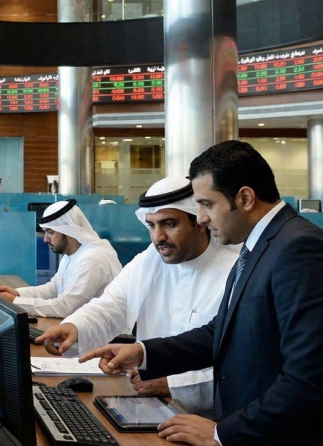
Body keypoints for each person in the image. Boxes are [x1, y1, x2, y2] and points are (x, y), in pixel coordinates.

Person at [85, 140, 323, 446]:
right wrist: (144, 353)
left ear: (245, 198)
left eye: (207, 205)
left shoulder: (301, 250)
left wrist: (220, 434)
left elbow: (308, 379)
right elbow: (220, 332)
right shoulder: (260, 245)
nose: (202, 218)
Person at [36, 177, 237, 414]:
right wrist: (74, 327)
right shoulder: (150, 260)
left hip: (210, 420)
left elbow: (241, 366)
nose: (158, 237)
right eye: (152, 225)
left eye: (169, 224)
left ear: (200, 222)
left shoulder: (234, 272)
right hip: (148, 404)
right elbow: (110, 306)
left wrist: (174, 385)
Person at [0, 200, 121, 318]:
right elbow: (53, 289)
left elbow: (66, 307)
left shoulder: (91, 258)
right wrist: (18, 293)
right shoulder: (69, 255)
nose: (45, 239)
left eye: (50, 232)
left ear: (68, 231)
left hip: (105, 333)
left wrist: (16, 302)